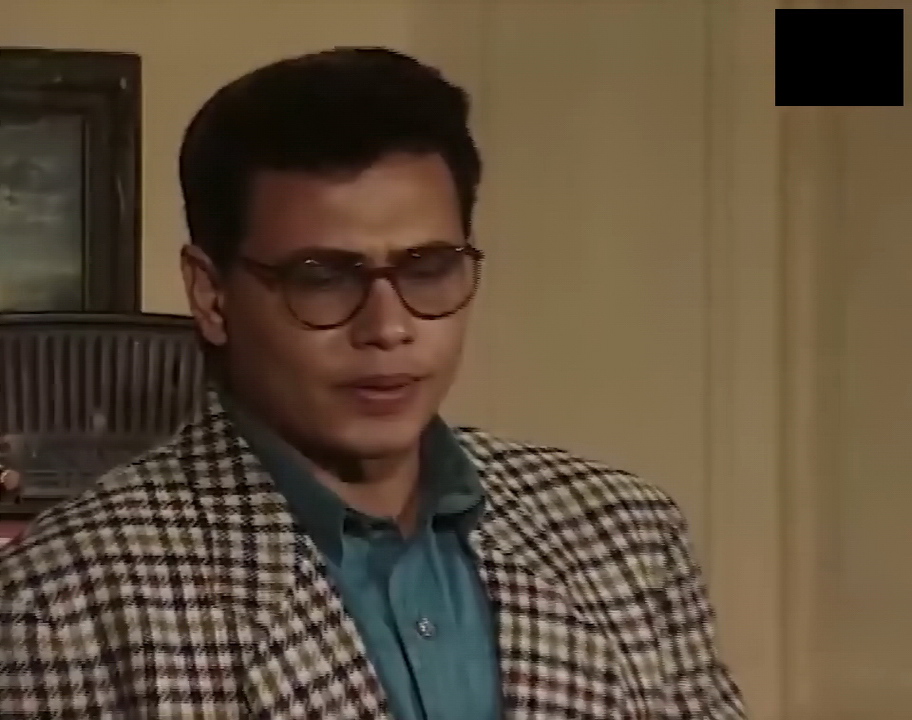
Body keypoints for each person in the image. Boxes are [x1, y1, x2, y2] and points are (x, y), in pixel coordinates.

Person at [0, 48, 746, 719]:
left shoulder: (626, 536)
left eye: (428, 269)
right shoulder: (67, 599)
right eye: (323, 278)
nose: (388, 327)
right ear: (212, 294)